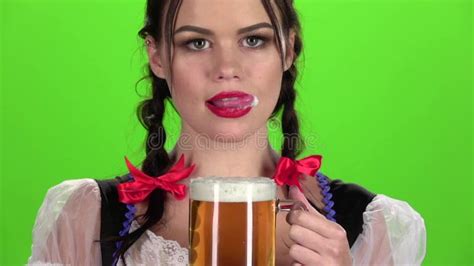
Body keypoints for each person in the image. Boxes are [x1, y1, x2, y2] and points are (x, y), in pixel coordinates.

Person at [28, 0, 427, 265]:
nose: (227, 68)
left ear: (288, 50)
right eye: (197, 42)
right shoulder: (84, 217)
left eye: (254, 40)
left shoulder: (377, 229)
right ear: (158, 57)